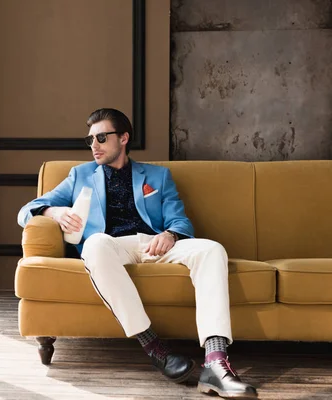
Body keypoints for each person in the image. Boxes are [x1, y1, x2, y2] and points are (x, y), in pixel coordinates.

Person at [17, 108, 258, 399]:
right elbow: (25, 210)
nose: (94, 145)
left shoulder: (157, 175)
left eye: (102, 137)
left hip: (154, 243)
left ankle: (216, 365)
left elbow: (180, 221)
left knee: (212, 250)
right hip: (111, 247)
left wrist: (169, 235)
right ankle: (156, 348)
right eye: (90, 139)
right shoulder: (79, 175)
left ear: (123, 138)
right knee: (94, 244)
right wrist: (53, 211)